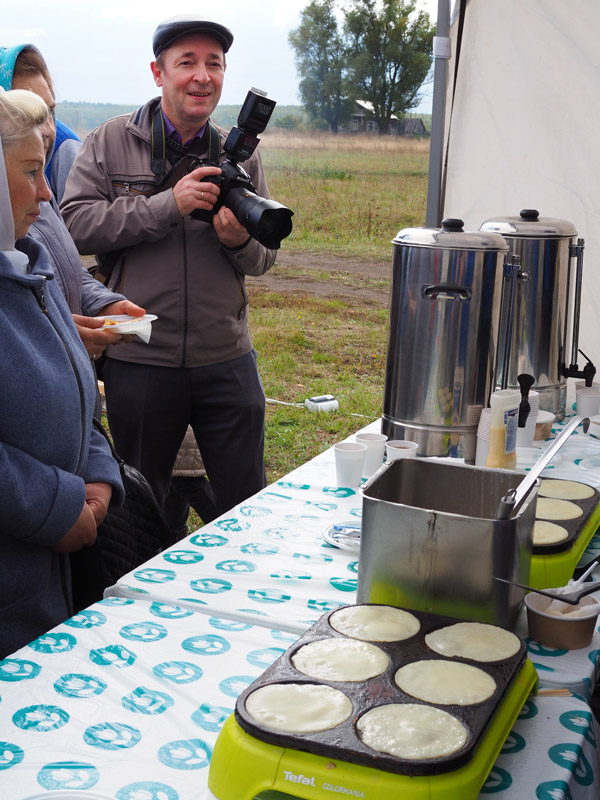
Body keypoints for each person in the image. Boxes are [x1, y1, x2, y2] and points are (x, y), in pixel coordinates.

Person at [62, 14, 277, 518]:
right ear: (158, 73)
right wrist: (166, 206)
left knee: (247, 504)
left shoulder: (240, 154)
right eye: (187, 63)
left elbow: (264, 257)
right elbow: (74, 226)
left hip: (226, 356)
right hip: (141, 357)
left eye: (214, 64)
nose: (202, 76)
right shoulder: (110, 141)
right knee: (144, 507)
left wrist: (238, 242)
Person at [0, 89, 124, 658]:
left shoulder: (28, 263)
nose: (46, 192)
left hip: (53, 588)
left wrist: (97, 474)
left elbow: (76, 391)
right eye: (31, 172)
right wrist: (55, 506)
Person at [0, 43, 145, 362]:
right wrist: (59, 335)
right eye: (30, 112)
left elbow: (63, 270)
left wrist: (102, 303)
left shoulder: (40, 192)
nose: (48, 129)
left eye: (50, 111)